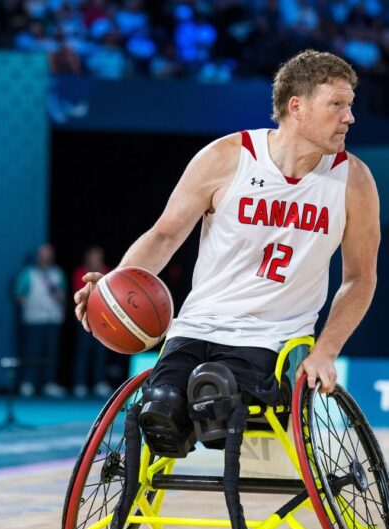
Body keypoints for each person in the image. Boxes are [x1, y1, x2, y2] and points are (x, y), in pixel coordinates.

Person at [74, 50, 379, 420]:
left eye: (349, 105)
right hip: (196, 326)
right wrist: (113, 290)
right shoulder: (226, 157)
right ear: (297, 107)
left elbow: (360, 278)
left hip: (273, 339)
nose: (350, 117)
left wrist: (326, 351)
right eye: (337, 104)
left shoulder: (354, 180)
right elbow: (164, 236)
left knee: (218, 408)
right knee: (159, 413)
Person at [15, 243, 67, 398]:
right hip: (34, 319)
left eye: (49, 255)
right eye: (43, 255)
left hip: (52, 318)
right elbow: (18, 294)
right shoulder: (28, 274)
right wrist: (32, 304)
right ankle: (29, 383)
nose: (46, 258)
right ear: (38, 256)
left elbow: (63, 294)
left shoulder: (57, 273)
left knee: (50, 353)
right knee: (32, 352)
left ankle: (48, 383)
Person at [72, 247, 112, 398]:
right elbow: (79, 294)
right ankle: (80, 384)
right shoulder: (81, 273)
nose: (96, 260)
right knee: (83, 352)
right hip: (85, 318)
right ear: (87, 258)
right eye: (93, 257)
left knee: (101, 352)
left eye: (99, 257)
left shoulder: (108, 272)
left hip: (104, 320)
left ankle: (99, 382)